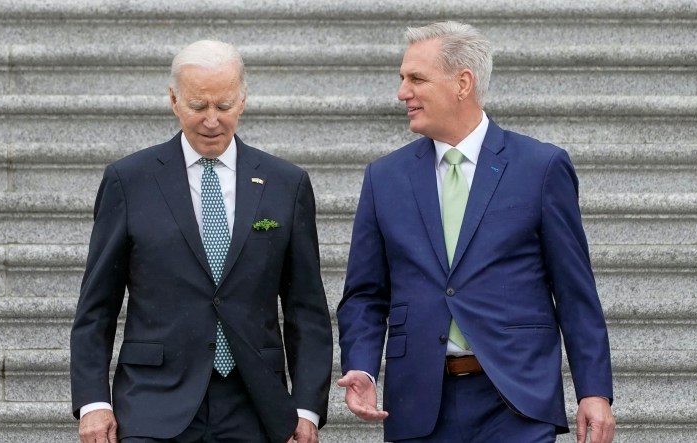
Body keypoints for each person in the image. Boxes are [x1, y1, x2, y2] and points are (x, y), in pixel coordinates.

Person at [336, 21, 615, 443]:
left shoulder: (540, 168)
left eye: (416, 79)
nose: (402, 92)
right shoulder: (384, 178)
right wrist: (360, 366)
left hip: (515, 402)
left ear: (462, 82)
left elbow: (575, 291)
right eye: (401, 79)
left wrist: (594, 391)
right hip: (418, 405)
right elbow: (365, 294)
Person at [70, 40, 332, 443]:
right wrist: (93, 403)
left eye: (224, 106)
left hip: (255, 405)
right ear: (174, 100)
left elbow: (307, 310)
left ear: (243, 100)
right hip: (152, 403)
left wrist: (306, 407)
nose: (212, 120)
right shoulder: (129, 181)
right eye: (198, 106)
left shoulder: (286, 184)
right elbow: (96, 307)